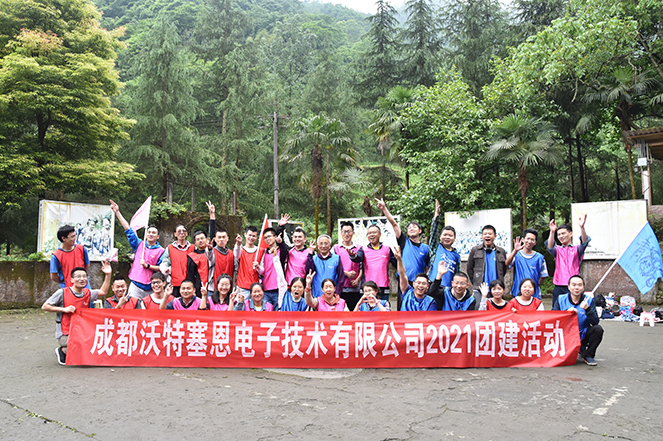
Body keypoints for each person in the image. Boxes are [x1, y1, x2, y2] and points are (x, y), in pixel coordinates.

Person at [42, 261, 112, 365]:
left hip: (81, 331)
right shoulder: (62, 292)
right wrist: (64, 309)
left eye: (84, 276)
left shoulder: (87, 293)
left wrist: (108, 274)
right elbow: (45, 306)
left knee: (98, 340)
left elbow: (103, 292)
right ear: (72, 280)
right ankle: (62, 350)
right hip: (65, 332)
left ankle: (74, 350)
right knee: (83, 345)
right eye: (78, 276)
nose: (82, 279)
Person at [110, 200, 165, 299]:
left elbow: (162, 268)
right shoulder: (139, 244)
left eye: (153, 233)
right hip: (135, 284)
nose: (151, 234)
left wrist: (148, 266)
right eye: (149, 232)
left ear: (157, 236)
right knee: (132, 306)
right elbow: (128, 229)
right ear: (146, 234)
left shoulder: (161, 251)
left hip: (151, 286)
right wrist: (117, 212)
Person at [552, 275, 603, 366]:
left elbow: (595, 322)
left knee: (598, 329)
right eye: (574, 285)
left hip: (582, 332)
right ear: (569, 287)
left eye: (579, 285)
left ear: (583, 287)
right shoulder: (561, 299)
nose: (576, 288)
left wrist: (588, 309)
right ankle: (576, 349)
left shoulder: (589, 300)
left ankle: (588, 355)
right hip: (565, 334)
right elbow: (553, 317)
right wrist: (566, 313)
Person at [547, 215, 591, 306]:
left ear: (571, 234)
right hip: (559, 285)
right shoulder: (558, 250)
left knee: (575, 309)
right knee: (557, 310)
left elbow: (584, 242)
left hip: (574, 286)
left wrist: (582, 227)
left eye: (563, 233)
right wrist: (552, 231)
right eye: (559, 234)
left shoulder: (577, 249)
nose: (561, 236)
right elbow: (550, 246)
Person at [349, 224, 395, 303]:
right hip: (368, 287)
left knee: (383, 308)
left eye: (374, 232)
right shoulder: (363, 249)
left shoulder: (387, 249)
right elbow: (357, 259)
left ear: (380, 234)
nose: (371, 235)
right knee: (368, 309)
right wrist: (352, 256)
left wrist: (400, 259)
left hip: (383, 286)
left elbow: (397, 263)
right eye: (369, 233)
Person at [466, 225, 507, 305]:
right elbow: (469, 268)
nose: (487, 236)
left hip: (497, 289)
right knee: (479, 309)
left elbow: (504, 269)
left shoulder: (501, 251)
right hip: (479, 289)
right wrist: (476, 282)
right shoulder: (475, 250)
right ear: (482, 236)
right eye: (485, 234)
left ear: (495, 236)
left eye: (490, 234)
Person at [506, 229, 548, 299]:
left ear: (535, 242)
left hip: (534, 294)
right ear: (523, 240)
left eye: (532, 239)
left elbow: (543, 275)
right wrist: (515, 251)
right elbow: (507, 264)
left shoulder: (539, 258)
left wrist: (533, 285)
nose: (529, 241)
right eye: (528, 238)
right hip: (517, 292)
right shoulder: (516, 255)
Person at [395, 246, 440, 311]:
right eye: (418, 283)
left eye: (423, 283)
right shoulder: (407, 292)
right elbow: (402, 274)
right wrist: (399, 259)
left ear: (427, 286)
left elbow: (430, 317)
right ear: (413, 284)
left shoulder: (431, 301)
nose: (420, 285)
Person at [428, 200, 461, 289]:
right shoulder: (435, 247)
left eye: (450, 235)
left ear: (454, 238)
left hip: (448, 289)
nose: (447, 237)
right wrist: (436, 216)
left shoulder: (456, 255)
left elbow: (458, 274)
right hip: (432, 285)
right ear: (440, 237)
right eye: (445, 235)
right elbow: (433, 232)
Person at [255, 227, 288, 309]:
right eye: (265, 238)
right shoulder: (264, 252)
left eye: (269, 236)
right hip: (265, 288)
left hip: (278, 288)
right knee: (266, 313)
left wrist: (280, 227)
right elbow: (262, 271)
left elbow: (285, 250)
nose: (267, 239)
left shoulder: (281, 251)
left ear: (275, 237)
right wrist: (258, 267)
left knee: (278, 312)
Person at [333, 221, 363, 311]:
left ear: (353, 233)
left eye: (349, 231)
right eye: (344, 231)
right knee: (341, 313)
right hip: (340, 287)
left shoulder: (359, 248)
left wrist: (358, 279)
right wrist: (345, 273)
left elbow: (362, 266)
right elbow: (333, 266)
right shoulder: (336, 248)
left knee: (355, 313)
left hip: (355, 288)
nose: (346, 234)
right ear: (341, 233)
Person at [206, 202, 235, 292]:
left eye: (223, 237)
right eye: (219, 237)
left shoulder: (231, 253)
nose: (221, 239)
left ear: (227, 239)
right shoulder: (212, 252)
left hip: (228, 288)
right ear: (215, 239)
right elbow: (209, 255)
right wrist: (212, 214)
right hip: (213, 288)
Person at [159, 224, 195, 297]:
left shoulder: (193, 248)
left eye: (184, 231)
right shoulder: (170, 248)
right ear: (175, 234)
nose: (182, 233)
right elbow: (165, 262)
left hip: (189, 283)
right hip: (174, 283)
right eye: (179, 231)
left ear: (186, 233)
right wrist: (165, 269)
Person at [275, 214, 310, 284]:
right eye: (295, 237)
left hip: (302, 285)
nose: (297, 239)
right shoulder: (290, 250)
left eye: (300, 237)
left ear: (305, 239)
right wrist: (281, 226)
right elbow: (281, 241)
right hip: (289, 284)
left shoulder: (309, 252)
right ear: (292, 238)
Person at [234, 226, 264, 298]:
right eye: (249, 235)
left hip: (255, 288)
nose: (251, 238)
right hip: (242, 287)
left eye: (254, 236)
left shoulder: (260, 251)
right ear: (245, 235)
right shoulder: (241, 250)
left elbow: (262, 271)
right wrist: (238, 244)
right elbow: (236, 255)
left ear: (257, 237)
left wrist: (258, 267)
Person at [186, 230, 211, 297]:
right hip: (199, 286)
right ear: (195, 242)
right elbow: (190, 275)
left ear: (207, 239)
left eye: (202, 238)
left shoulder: (213, 253)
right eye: (198, 239)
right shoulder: (192, 256)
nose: (200, 241)